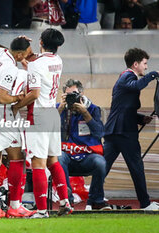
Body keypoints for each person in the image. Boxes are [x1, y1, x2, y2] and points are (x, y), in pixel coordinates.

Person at [12, 29, 72, 218]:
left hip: (37, 114)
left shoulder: (35, 64)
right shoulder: (57, 60)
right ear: (58, 45)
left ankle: (41, 210)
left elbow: (34, 93)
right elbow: (36, 61)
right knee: (53, 161)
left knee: (38, 163)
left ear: (40, 42)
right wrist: (27, 59)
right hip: (53, 113)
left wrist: (16, 106)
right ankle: (65, 201)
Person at [0, 37, 34, 219]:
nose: (27, 57)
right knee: (18, 156)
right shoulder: (11, 69)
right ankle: (15, 206)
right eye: (25, 54)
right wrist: (17, 97)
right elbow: (1, 98)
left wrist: (19, 42)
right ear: (18, 55)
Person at [104, 48, 159, 210]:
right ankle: (145, 203)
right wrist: (154, 75)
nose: (146, 67)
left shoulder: (124, 77)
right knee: (136, 167)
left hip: (115, 130)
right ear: (135, 64)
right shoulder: (128, 76)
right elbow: (136, 87)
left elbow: (123, 108)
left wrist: (141, 119)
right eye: (145, 63)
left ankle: (92, 200)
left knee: (103, 167)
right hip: (125, 132)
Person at [57, 79, 111, 210]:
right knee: (58, 158)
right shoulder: (59, 108)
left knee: (100, 162)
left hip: (87, 157)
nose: (71, 97)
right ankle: (67, 201)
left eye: (74, 94)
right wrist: (59, 110)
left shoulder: (92, 109)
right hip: (67, 157)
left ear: (81, 93)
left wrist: (85, 113)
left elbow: (99, 133)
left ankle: (96, 200)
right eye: (68, 94)